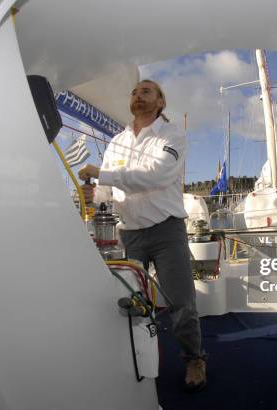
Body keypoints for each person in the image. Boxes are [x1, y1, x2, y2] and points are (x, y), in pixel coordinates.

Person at [78, 80, 207, 392]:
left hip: (166, 230)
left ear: (160, 102)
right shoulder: (117, 142)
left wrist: (100, 174)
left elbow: (158, 175)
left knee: (180, 301)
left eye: (146, 91)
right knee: (128, 302)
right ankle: (129, 361)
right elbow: (106, 193)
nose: (138, 95)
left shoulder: (171, 134)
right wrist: (93, 193)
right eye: (134, 92)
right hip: (130, 233)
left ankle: (194, 358)